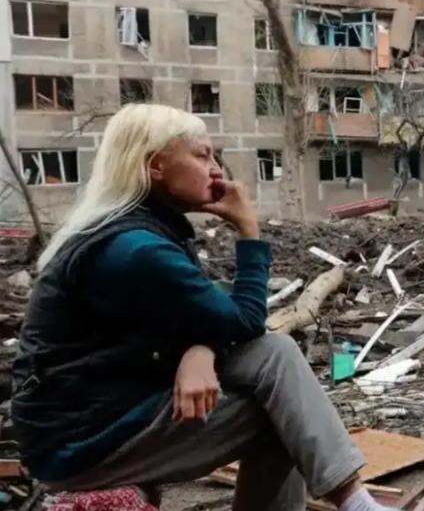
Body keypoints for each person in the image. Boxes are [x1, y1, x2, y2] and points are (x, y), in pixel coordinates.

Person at [12, 104, 395, 511]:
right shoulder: (136, 250)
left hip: (100, 417)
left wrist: (202, 349)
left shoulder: (131, 230)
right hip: (80, 447)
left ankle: (356, 503)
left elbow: (207, 310)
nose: (216, 170)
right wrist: (249, 231)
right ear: (155, 166)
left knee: (276, 358)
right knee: (282, 412)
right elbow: (245, 321)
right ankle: (356, 504)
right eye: (201, 155)